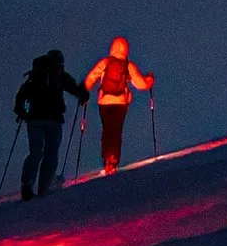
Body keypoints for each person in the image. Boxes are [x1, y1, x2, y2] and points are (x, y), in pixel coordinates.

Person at [12, 49, 90, 198]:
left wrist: (21, 111)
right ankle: (44, 188)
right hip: (54, 119)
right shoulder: (60, 74)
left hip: (34, 119)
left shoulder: (36, 76)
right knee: (51, 153)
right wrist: (83, 93)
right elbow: (74, 89)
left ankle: (27, 184)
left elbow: (22, 95)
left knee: (35, 152)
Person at [81, 36, 155, 174]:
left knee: (107, 129)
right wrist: (150, 80)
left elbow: (91, 77)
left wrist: (84, 91)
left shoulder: (105, 62)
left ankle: (106, 158)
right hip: (120, 103)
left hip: (104, 102)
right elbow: (141, 84)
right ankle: (113, 159)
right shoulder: (127, 65)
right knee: (116, 131)